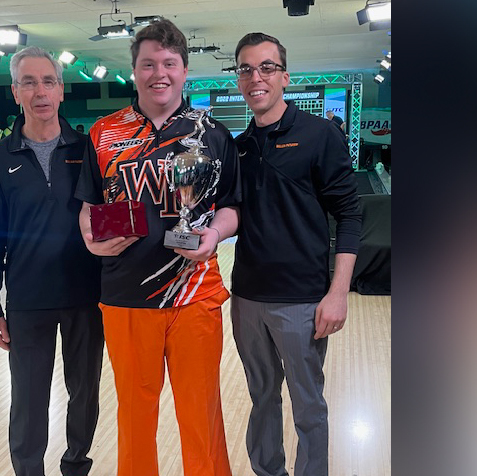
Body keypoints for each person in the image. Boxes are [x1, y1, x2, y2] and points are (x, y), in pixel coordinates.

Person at [75, 18, 239, 476]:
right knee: (134, 415)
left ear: (185, 69)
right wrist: (91, 240)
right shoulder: (103, 133)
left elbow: (232, 207)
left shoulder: (212, 133)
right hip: (125, 295)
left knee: (201, 414)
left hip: (195, 292)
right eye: (148, 64)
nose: (159, 73)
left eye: (169, 63)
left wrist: (214, 235)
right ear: (134, 71)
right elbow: (88, 207)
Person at [230, 32, 362, 476]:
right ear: (239, 80)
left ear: (285, 76)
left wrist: (338, 293)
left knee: (307, 405)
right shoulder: (239, 147)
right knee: (262, 399)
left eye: (266, 67)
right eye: (246, 69)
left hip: (303, 301)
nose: (256, 77)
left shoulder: (319, 135)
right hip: (247, 299)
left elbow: (349, 215)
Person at [0, 46, 104, 476]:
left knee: (84, 394)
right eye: (28, 82)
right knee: (28, 400)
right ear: (15, 92)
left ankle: (76, 465)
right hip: (28, 301)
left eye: (48, 81)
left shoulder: (88, 151)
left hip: (86, 297)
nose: (40, 91)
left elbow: (106, 221)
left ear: (61, 90)